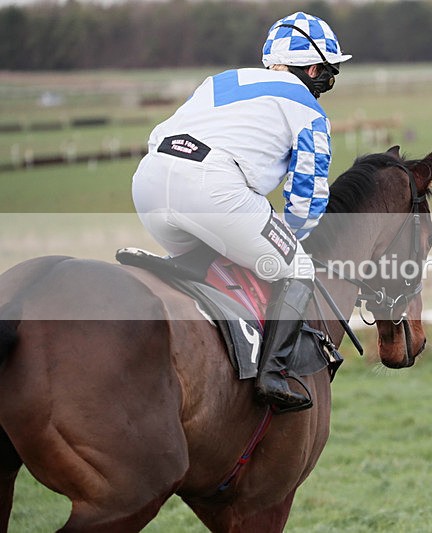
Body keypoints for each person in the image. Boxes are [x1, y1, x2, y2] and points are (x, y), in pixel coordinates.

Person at [131, 12, 351, 412]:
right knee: (297, 267)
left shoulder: (221, 80)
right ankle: (272, 375)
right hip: (212, 190)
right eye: (329, 75)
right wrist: (288, 240)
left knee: (209, 259)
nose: (326, 86)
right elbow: (306, 201)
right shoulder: (310, 112)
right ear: (315, 68)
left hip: (148, 181)